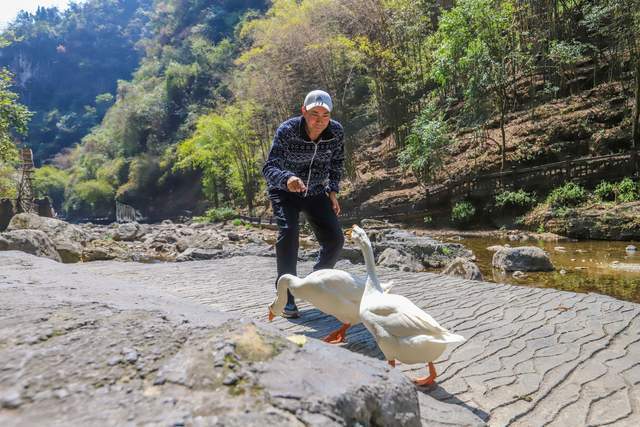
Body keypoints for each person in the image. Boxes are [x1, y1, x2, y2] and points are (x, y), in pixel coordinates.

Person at [262, 90, 345, 318]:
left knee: (335, 239)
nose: (319, 120)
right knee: (289, 233)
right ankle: (286, 296)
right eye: (314, 113)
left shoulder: (336, 132)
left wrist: (333, 191)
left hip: (316, 191)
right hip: (285, 191)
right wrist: (287, 179)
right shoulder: (287, 131)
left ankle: (316, 282)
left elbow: (337, 163)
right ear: (303, 111)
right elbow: (269, 168)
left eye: (325, 115)